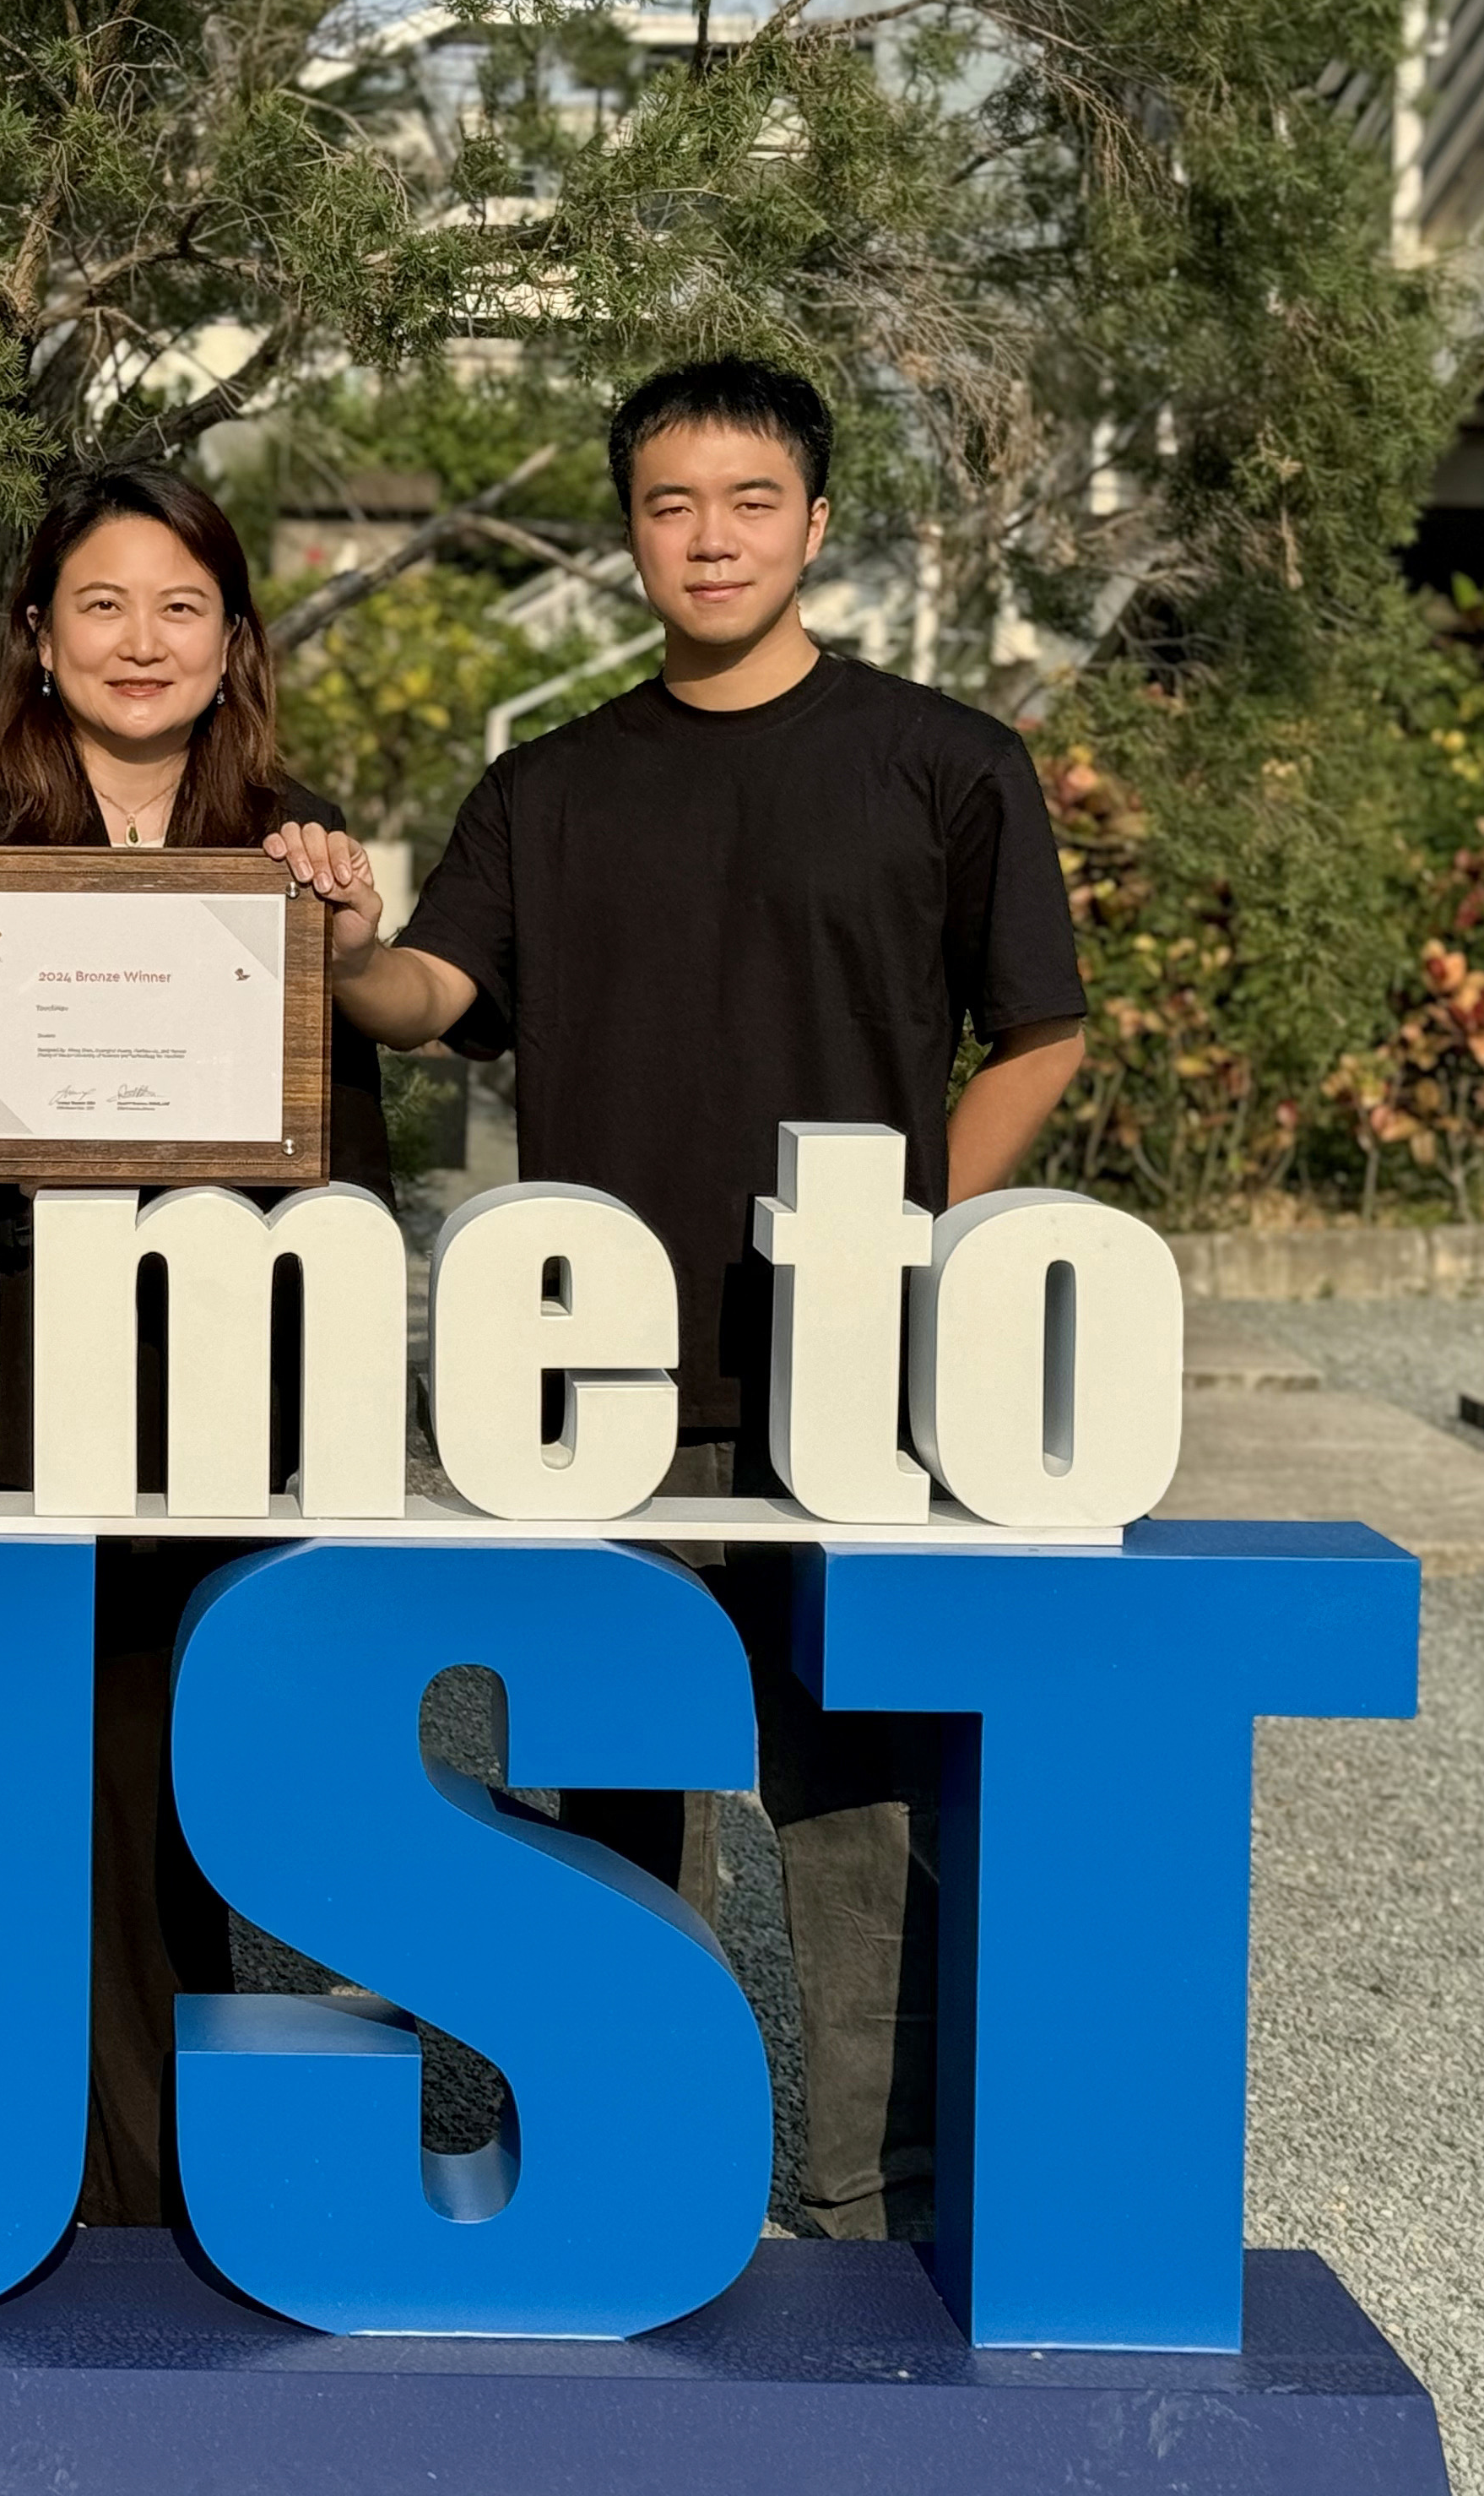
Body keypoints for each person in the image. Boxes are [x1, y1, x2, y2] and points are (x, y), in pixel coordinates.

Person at [271, 356, 1088, 2244]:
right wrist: (344, 947)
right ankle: (611, 2182)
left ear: (816, 522)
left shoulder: (944, 761)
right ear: (628, 532)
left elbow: (1039, 1033)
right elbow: (428, 1001)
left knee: (851, 1805)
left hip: (845, 1379)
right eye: (667, 504)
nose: (708, 537)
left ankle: (865, 2203)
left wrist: (902, 1248)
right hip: (597, 1374)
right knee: (610, 1790)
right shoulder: (548, 788)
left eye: (748, 500)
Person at [0, 462, 394, 2228]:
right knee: (1, 1759)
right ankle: (4, 2162)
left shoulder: (289, 843)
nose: (139, 641)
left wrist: (343, 946)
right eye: (100, 604)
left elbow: (344, 1138)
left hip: (213, 1365)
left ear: (233, 640)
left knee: (165, 1775)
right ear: (37, 632)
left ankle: (143, 2189)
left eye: (179, 606)